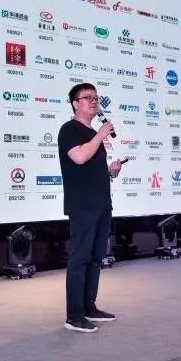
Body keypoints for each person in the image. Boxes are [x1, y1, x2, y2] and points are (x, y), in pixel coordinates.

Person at [58, 83, 123, 333]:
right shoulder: (69, 130)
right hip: (83, 205)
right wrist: (101, 135)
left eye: (96, 97)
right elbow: (79, 157)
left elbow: (92, 169)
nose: (94, 101)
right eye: (88, 97)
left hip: (101, 204)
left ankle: (89, 307)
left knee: (96, 258)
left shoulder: (94, 133)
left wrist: (111, 172)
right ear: (75, 104)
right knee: (80, 258)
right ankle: (74, 316)